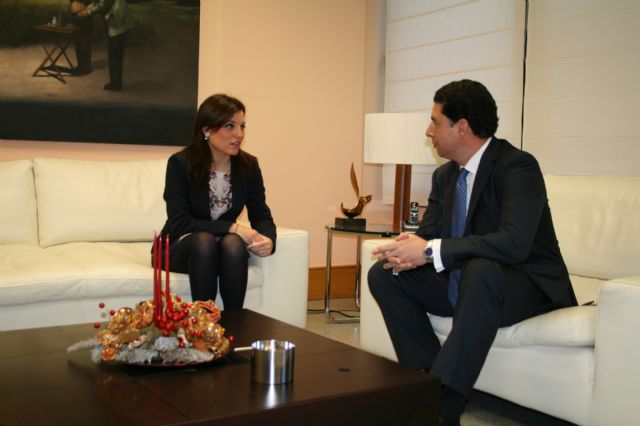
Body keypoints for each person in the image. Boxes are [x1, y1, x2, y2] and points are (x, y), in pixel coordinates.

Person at [367, 80, 576, 426]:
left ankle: (444, 406)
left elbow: (514, 242)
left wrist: (431, 249)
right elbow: (431, 236)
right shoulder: (445, 176)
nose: (428, 131)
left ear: (461, 127)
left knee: (481, 269)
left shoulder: (517, 167)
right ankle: (427, 382)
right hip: (467, 283)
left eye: (435, 122)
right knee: (386, 274)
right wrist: (409, 247)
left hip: (524, 286)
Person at [155, 94, 276, 309]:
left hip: (222, 244)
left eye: (242, 126)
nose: (239, 134)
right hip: (181, 245)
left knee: (233, 244)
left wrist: (269, 240)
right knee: (205, 241)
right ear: (207, 130)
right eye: (230, 126)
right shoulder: (180, 164)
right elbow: (180, 222)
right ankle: (204, 321)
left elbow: (261, 215)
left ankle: (235, 322)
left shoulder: (248, 165)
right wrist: (233, 227)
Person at [78, 0, 134, 90]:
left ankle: (116, 84)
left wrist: (88, 12)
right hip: (116, 22)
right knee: (114, 54)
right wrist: (88, 8)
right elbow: (98, 2)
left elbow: (103, 4)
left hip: (118, 22)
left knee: (115, 55)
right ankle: (115, 82)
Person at [69, 1, 93, 75]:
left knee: (84, 41)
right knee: (78, 41)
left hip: (84, 14)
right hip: (76, 14)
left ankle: (86, 68)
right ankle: (80, 66)